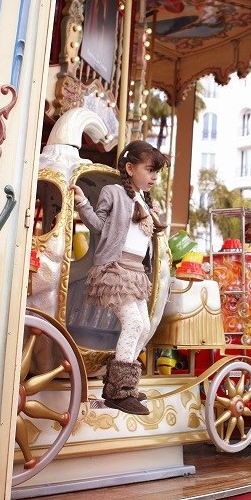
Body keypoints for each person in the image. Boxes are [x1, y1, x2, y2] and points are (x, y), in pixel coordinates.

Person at [73, 140, 168, 415]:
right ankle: (119, 392)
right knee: (134, 322)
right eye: (150, 170)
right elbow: (100, 226)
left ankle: (121, 384)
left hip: (136, 272)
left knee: (145, 326)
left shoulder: (144, 200)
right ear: (130, 168)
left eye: (156, 172)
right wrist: (82, 203)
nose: (154, 177)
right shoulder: (113, 192)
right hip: (116, 270)